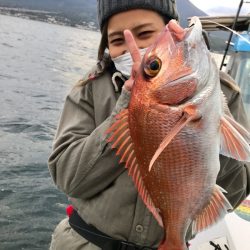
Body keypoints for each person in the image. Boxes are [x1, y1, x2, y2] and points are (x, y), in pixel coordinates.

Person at [48, 0, 250, 249]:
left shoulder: (225, 92)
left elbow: (239, 188)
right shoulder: (88, 89)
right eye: (117, 40)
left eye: (145, 33)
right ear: (106, 45)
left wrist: (213, 127)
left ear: (170, 28)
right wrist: (130, 108)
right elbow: (68, 179)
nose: (134, 46)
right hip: (84, 242)